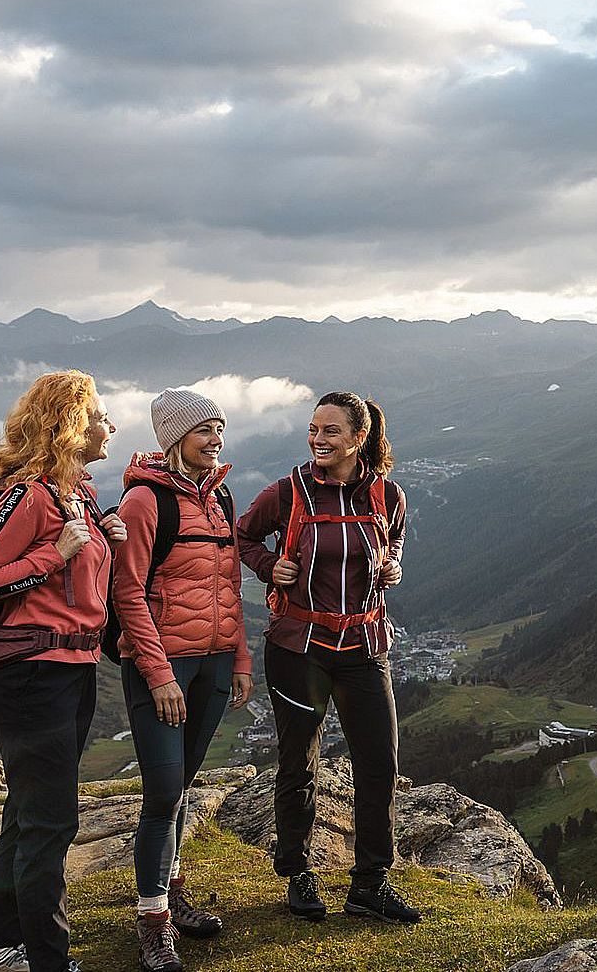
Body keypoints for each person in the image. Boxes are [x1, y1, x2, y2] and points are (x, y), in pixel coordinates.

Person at [0, 371, 125, 972]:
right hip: (33, 678)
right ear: (73, 424)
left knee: (27, 814)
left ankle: (2, 950)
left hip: (71, 672)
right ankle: (49, 961)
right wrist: (52, 554)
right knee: (51, 823)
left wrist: (107, 540)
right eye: (102, 415)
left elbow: (82, 591)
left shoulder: (74, 495)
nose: (112, 425)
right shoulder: (29, 496)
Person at [235, 392, 418, 924]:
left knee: (379, 763)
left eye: (330, 431)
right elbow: (242, 536)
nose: (318, 439)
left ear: (358, 439)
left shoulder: (388, 495)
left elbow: (395, 547)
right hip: (299, 648)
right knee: (299, 763)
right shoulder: (288, 492)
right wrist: (270, 566)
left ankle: (370, 884)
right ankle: (297, 872)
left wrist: (393, 568)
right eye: (314, 429)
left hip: (365, 647)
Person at [109, 389, 254, 971]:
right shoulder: (145, 502)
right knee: (164, 790)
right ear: (174, 438)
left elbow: (229, 586)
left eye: (219, 429)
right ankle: (152, 920)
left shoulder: (220, 497)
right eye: (203, 430)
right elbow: (127, 593)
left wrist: (242, 659)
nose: (215, 439)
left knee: (183, 787)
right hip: (165, 667)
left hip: (216, 664)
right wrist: (158, 673)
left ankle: (171, 896)